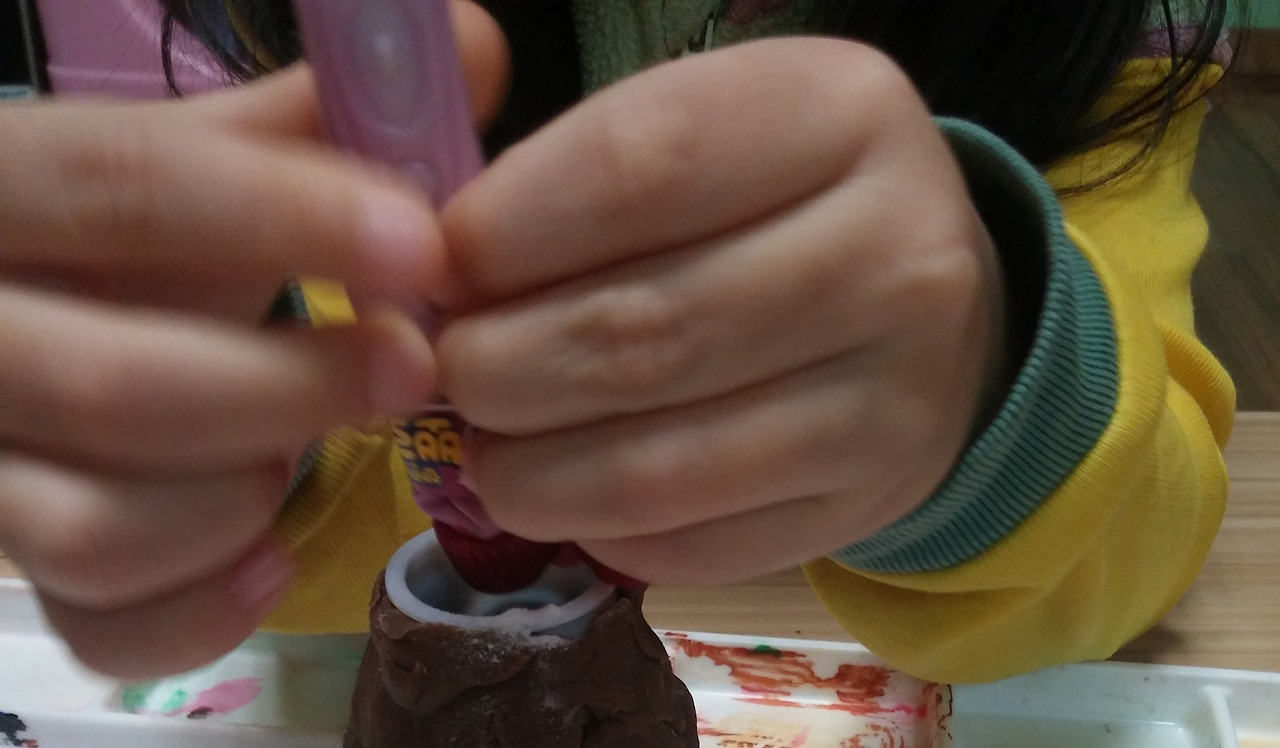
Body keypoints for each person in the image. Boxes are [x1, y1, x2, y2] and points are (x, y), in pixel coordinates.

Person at [0, 0, 1232, 684]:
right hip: (335, 718)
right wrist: (206, 422)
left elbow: (1137, 539)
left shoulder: (1095, 32)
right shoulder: (196, 22)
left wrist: (994, 386)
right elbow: (278, 533)